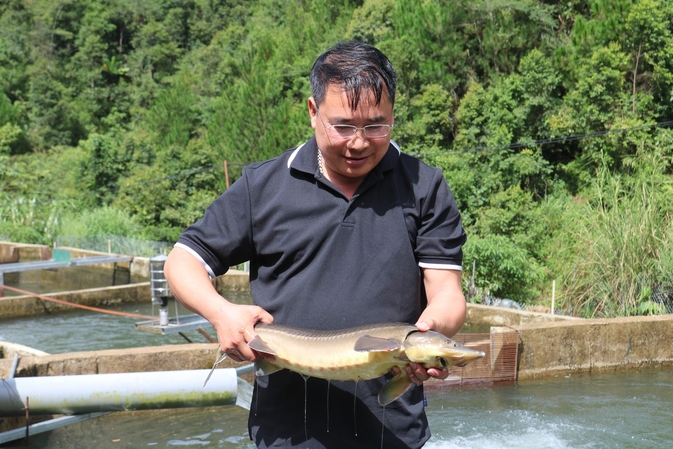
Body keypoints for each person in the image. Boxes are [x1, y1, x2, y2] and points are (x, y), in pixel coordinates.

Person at [164, 40, 467, 449]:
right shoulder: (264, 187)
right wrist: (221, 313)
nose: (359, 143)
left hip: (392, 434)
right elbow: (183, 261)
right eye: (342, 126)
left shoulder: (424, 186)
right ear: (312, 112)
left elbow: (447, 295)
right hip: (287, 433)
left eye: (376, 126)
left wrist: (428, 337)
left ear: (394, 116)